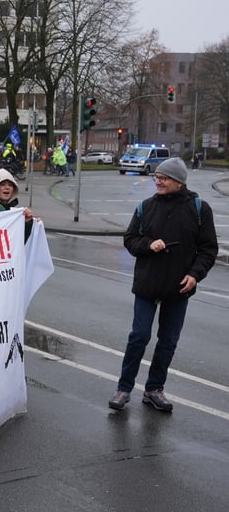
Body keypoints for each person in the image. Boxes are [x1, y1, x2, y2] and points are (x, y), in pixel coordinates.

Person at [108, 158, 217, 412]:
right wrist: (148, 244)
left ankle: (154, 389)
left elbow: (208, 249)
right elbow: (130, 239)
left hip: (179, 288)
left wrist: (195, 275)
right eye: (156, 177)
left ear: (179, 182)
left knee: (168, 341)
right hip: (148, 285)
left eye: (163, 177)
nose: (157, 180)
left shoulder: (200, 209)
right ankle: (124, 389)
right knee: (139, 336)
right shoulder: (145, 207)